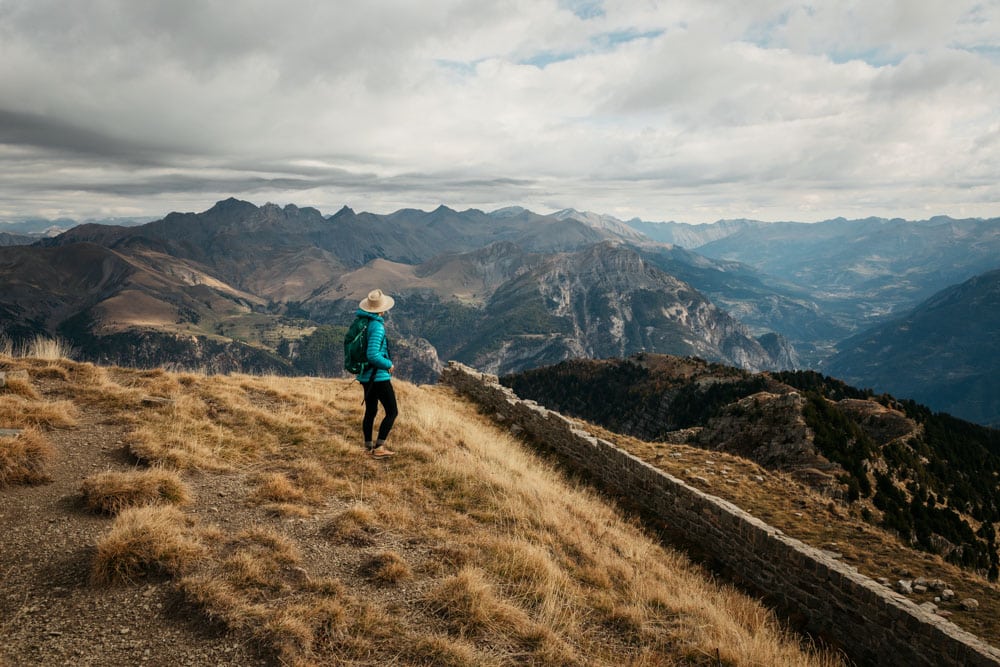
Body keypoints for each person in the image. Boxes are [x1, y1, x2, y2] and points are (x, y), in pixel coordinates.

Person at [356, 289, 398, 458]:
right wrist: (389, 364)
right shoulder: (377, 327)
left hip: (366, 376)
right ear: (381, 309)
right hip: (378, 376)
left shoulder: (363, 323)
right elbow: (372, 354)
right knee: (392, 411)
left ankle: (367, 447)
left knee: (371, 410)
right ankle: (379, 448)